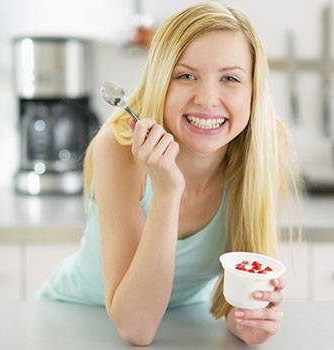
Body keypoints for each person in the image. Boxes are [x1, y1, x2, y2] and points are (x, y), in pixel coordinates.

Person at [38, 1, 299, 346]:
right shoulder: (120, 147)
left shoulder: (266, 143)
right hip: (76, 319)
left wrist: (246, 317)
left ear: (253, 90)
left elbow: (241, 289)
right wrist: (166, 192)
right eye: (185, 75)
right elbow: (136, 328)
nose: (207, 99)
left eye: (230, 78)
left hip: (187, 321)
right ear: (161, 80)